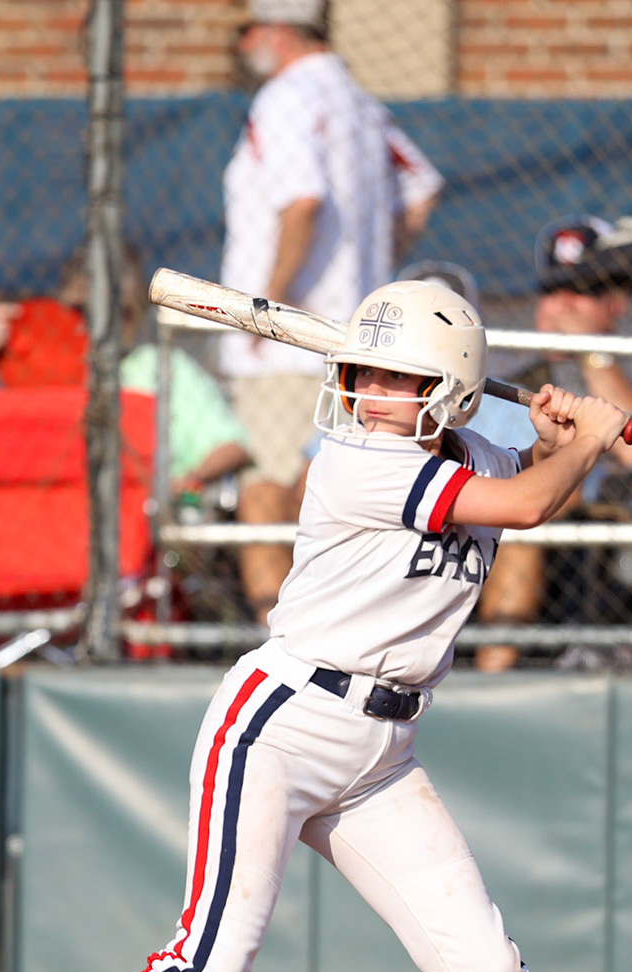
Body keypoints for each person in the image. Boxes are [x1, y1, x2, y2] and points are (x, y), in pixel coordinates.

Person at [0, 279, 630, 972]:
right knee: (206, 966)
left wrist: (556, 427)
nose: (369, 392)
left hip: (383, 750)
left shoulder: (479, 448)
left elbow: (537, 470)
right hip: (283, 723)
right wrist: (576, 442)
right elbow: (533, 504)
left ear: (447, 391)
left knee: (488, 971)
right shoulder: (359, 461)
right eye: (364, 373)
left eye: (394, 377)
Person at [221, 0, 443, 625]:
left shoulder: (286, 96)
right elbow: (422, 186)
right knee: (339, 494)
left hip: (287, 345)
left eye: (247, 29)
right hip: (358, 341)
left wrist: (272, 301)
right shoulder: (357, 100)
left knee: (271, 495)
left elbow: (303, 200)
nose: (240, 44)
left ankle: (283, 639)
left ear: (276, 30)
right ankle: (333, 629)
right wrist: (368, 274)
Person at [475, 217, 632, 672]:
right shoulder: (510, 375)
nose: (561, 305)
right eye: (552, 291)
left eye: (579, 291)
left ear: (614, 303)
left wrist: (589, 351)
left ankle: (491, 680)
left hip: (588, 538)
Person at [0, 244, 250, 498]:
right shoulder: (45, 370)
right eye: (82, 313)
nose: (95, 328)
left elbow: (230, 446)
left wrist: (180, 487)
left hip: (147, 514)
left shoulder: (159, 367)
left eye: (114, 313)